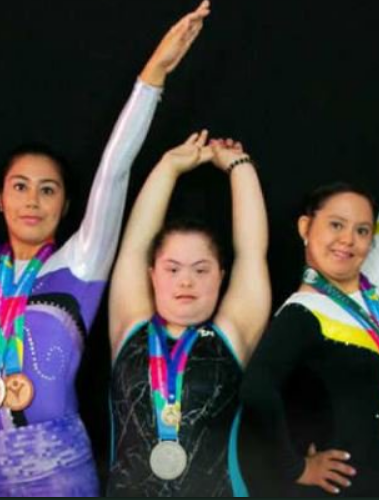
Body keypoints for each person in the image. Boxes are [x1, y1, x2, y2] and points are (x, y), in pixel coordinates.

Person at [0, 2, 211, 496]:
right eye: (21, 187)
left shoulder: (82, 262)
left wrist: (153, 74)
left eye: (48, 189)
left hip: (59, 475)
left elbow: (114, 170)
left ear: (66, 203)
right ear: (0, 199)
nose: (33, 200)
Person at [240, 78, 379, 497]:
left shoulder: (373, 295)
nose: (348, 240)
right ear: (305, 227)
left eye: (361, 231)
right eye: (335, 225)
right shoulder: (302, 311)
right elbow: (257, 388)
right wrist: (294, 467)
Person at [107, 131, 270, 496]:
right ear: (151, 273)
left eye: (200, 270)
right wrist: (168, 167)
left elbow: (252, 250)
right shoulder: (129, 327)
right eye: (172, 268)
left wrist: (239, 168)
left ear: (221, 276)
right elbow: (133, 247)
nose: (186, 282)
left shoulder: (233, 335)